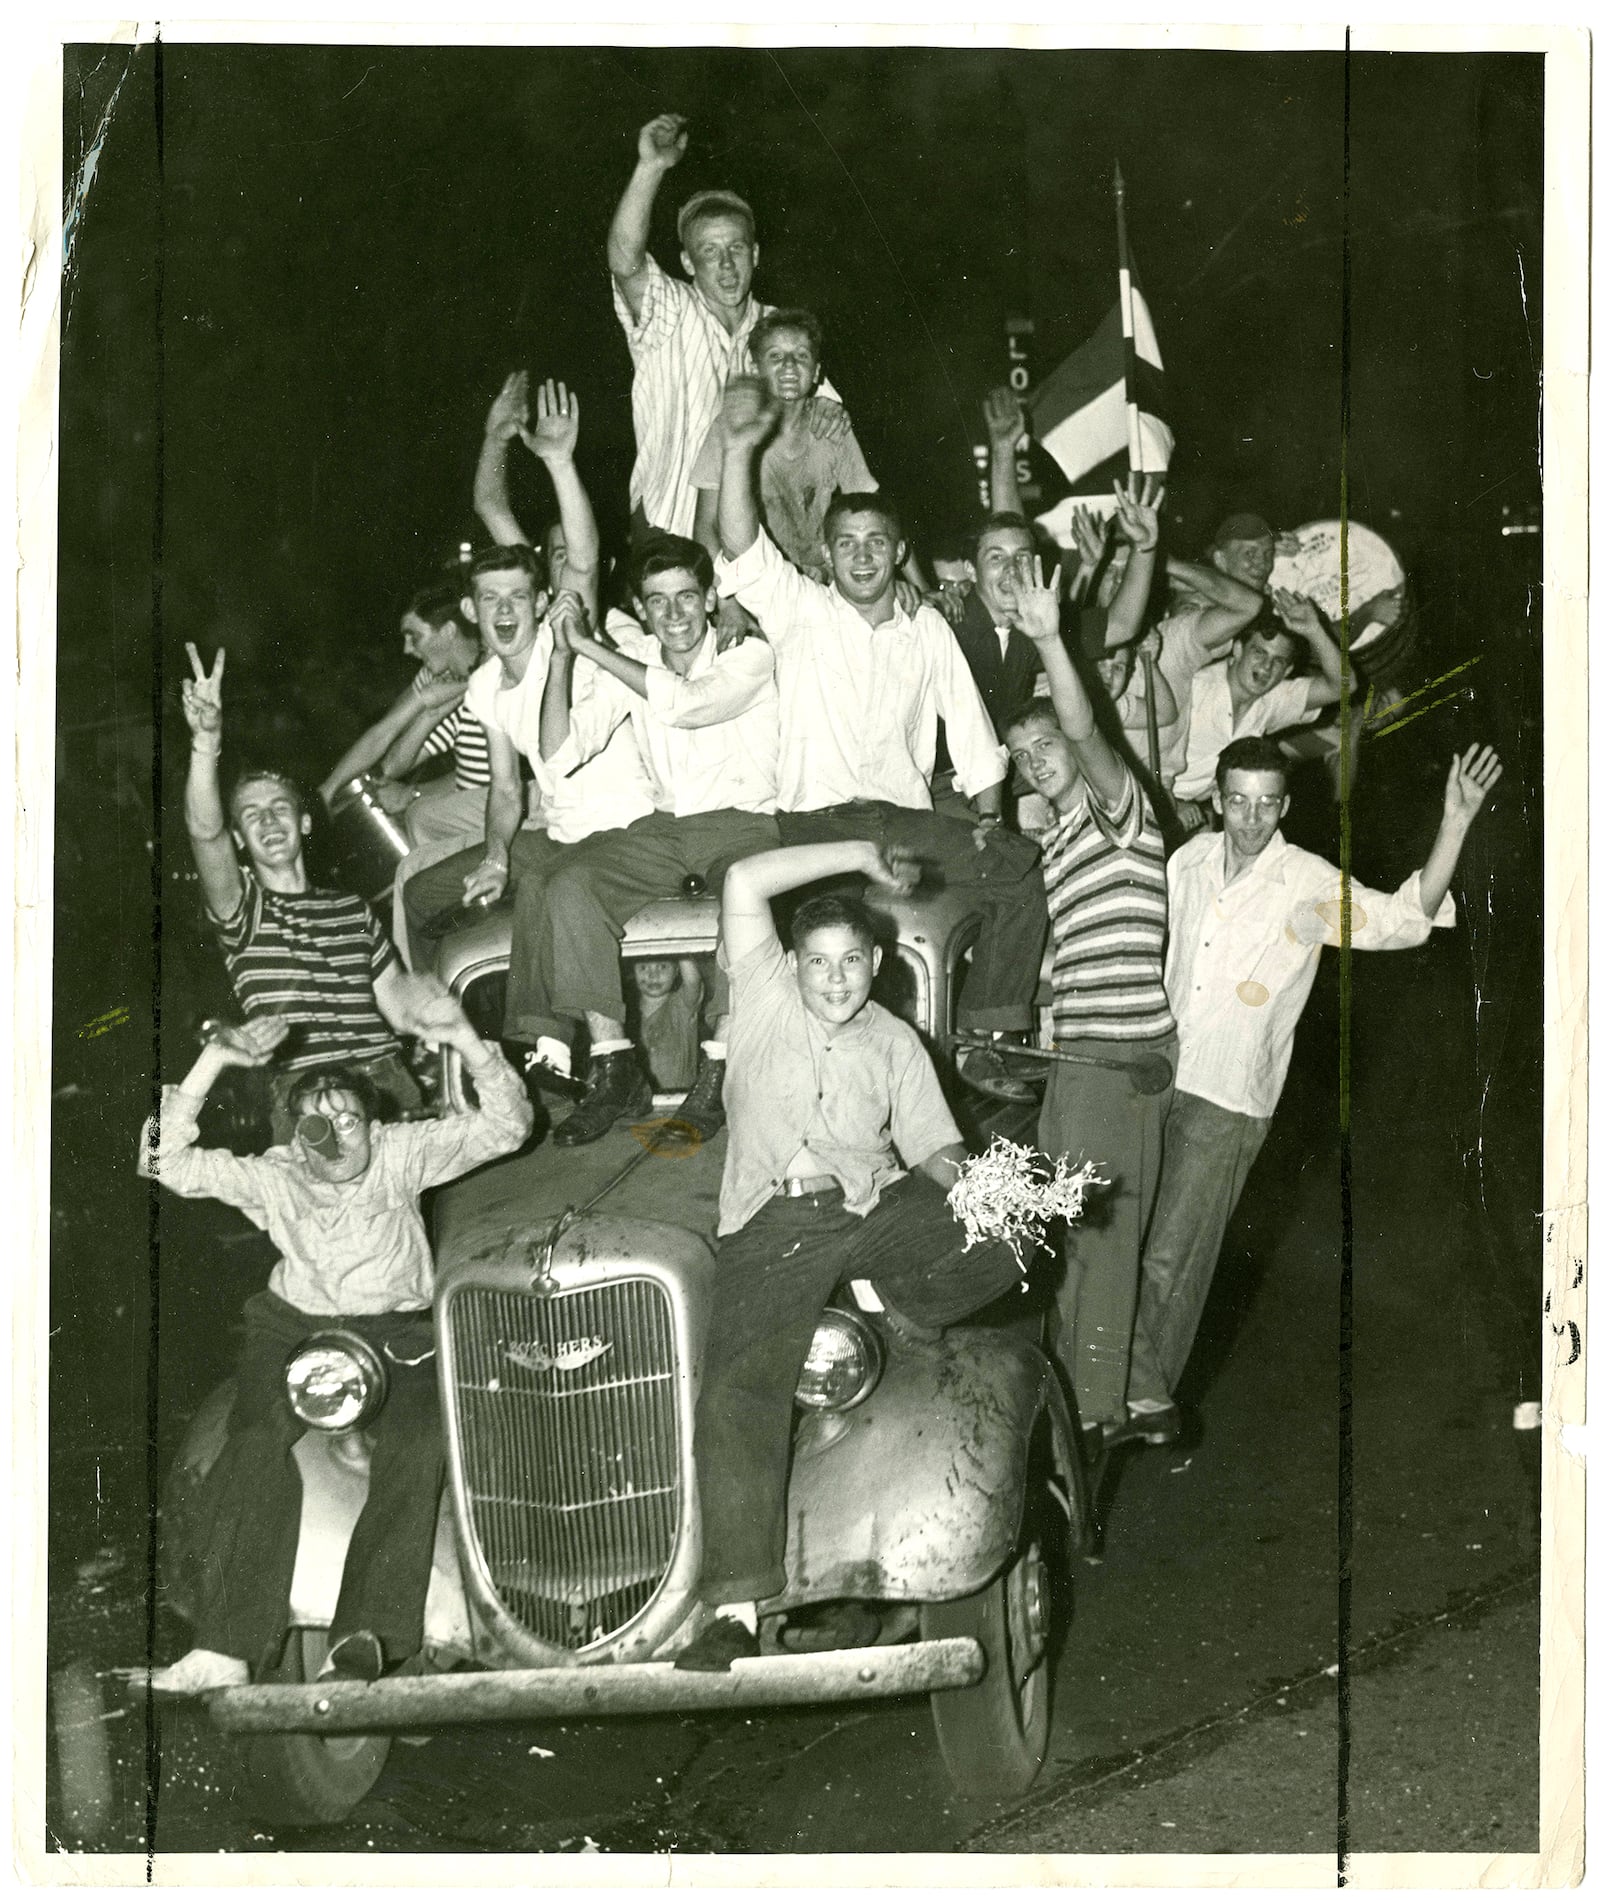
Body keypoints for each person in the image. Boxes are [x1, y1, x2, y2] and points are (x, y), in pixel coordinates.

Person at [672, 838, 1025, 1672]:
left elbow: (934, 1146)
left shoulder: (896, 1041)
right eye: (818, 962)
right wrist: (864, 854)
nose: (835, 978)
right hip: (773, 1225)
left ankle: (891, 1309)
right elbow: (743, 875)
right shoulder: (759, 997)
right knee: (736, 1391)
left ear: (876, 964)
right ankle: (732, 1608)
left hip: (871, 1210)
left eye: (852, 962)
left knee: (1017, 1233)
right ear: (789, 964)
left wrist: (985, 1185)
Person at [136, 994, 532, 1692]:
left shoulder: (399, 1153)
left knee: (418, 1445)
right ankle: (226, 1644)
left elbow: (508, 1125)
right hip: (297, 1329)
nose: (337, 1135)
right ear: (296, 1134)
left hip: (400, 1332)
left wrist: (466, 1037)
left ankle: (364, 1637)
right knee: (256, 1440)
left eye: (350, 1119)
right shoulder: (278, 1173)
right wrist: (216, 1061)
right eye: (317, 1123)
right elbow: (159, 1160)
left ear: (372, 1126)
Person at [1123, 734, 1504, 1438]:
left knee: (1174, 1251)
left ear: (1286, 806)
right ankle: (1100, 1386)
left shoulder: (1300, 880)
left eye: (1267, 804)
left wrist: (1454, 822)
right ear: (1216, 798)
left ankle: (1140, 1398)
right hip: (1157, 1074)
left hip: (1229, 1095)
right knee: (1123, 1239)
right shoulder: (1187, 863)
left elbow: (1399, 922)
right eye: (1237, 801)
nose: (1250, 818)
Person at [712, 376, 1051, 1104]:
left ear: (899, 553)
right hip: (816, 828)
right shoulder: (800, 610)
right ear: (826, 555)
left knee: (1019, 868)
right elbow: (741, 544)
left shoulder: (927, 629)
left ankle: (989, 1041)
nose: (862, 557)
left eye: (876, 544)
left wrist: (990, 821)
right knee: (779, 935)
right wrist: (739, 448)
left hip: (905, 826)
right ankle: (735, 1068)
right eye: (846, 545)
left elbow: (972, 734)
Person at [400, 386, 656, 1054]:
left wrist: (559, 462)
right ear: (472, 610)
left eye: (519, 597)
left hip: (621, 832)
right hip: (560, 831)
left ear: (542, 600)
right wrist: (491, 853)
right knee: (425, 896)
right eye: (491, 601)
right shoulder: (485, 683)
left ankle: (553, 1047)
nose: (506, 611)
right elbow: (506, 789)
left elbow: (584, 552)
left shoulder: (561, 633)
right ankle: (442, 1044)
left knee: (546, 881)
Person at [517, 536, 782, 1145]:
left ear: (712, 598)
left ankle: (718, 1069)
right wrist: (563, 659)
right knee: (569, 885)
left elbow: (688, 705)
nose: (675, 615)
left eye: (687, 597)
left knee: (744, 902)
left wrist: (590, 646)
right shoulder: (636, 657)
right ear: (640, 608)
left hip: (746, 822)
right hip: (665, 829)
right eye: (657, 602)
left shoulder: (748, 652)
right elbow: (557, 756)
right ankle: (615, 1066)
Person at [1001, 557, 1177, 1444]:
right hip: (1076, 1063)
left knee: (1101, 1241)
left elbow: (1084, 722)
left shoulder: (1120, 807)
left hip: (1118, 1061)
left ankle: (1099, 1409)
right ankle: (1106, 1392)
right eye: (1024, 757)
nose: (1039, 762)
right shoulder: (1062, 839)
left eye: (1047, 748)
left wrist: (1044, 635)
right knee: (1062, 1231)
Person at [180, 643, 426, 1140]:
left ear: (305, 821)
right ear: (239, 840)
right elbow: (204, 832)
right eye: (252, 815)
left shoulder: (352, 909)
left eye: (280, 808)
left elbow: (398, 1002)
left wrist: (437, 1014)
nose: (268, 820)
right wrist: (206, 744)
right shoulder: (243, 911)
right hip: (304, 1096)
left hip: (386, 1083)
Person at [607, 112, 848, 539]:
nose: (725, 264)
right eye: (709, 251)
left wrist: (830, 408)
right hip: (669, 522)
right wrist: (651, 167)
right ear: (686, 262)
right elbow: (626, 259)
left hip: (755, 535)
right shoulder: (671, 309)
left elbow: (826, 413)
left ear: (755, 254)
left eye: (735, 248)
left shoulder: (780, 328)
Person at [311, 582, 488, 968]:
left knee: (413, 862)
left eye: (415, 637)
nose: (408, 650)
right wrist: (428, 708)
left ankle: (422, 970)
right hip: (468, 811)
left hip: (497, 816)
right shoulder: (439, 678)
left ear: (449, 631)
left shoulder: (491, 674)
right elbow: (389, 749)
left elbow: (497, 783)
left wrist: (415, 795)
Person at [689, 307, 875, 577]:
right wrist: (726, 603)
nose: (789, 364)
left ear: (816, 372)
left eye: (801, 355)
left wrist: (917, 586)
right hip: (754, 581)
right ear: (755, 368)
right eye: (775, 356)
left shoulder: (830, 426)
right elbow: (706, 527)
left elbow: (873, 511)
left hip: (818, 577)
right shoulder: (731, 428)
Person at [1167, 588, 1342, 826]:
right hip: (1153, 800)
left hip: (1192, 815)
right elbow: (1141, 756)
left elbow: (1343, 685)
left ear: (1287, 671)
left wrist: (1314, 630)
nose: (1267, 666)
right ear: (1238, 650)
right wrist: (1171, 804)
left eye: (1278, 661)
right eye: (1259, 652)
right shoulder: (1194, 686)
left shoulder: (1273, 699)